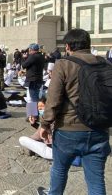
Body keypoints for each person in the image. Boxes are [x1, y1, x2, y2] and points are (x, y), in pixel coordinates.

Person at [40, 29, 111, 194]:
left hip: (68, 129)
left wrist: (45, 124)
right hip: (99, 129)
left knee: (59, 169)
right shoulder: (106, 63)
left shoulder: (63, 64)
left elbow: (53, 99)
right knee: (96, 181)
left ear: (67, 46)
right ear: (88, 44)